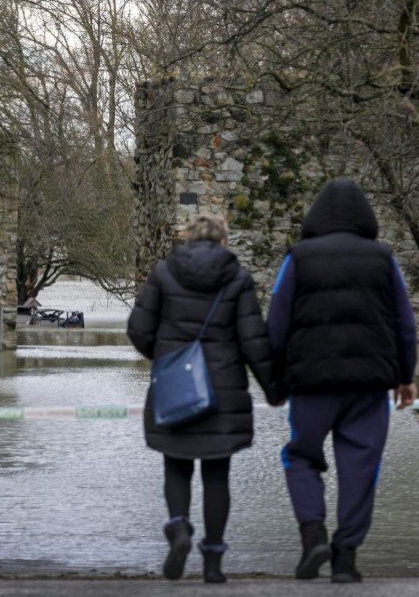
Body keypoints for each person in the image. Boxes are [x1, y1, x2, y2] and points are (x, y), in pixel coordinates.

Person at [266, 179, 418, 583]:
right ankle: (345, 558)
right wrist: (406, 378)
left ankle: (313, 534)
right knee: (360, 467)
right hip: (369, 386)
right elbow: (405, 323)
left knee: (300, 457)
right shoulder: (384, 259)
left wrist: (274, 384)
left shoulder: (297, 258)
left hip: (311, 384)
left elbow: (276, 323)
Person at [127, 214, 278, 583]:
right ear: (223, 242)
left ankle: (179, 528)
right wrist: (275, 389)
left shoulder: (164, 273)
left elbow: (138, 329)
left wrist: (164, 358)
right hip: (222, 391)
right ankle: (212, 564)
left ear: (189, 239)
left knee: (176, 465)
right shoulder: (238, 278)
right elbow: (253, 341)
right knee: (216, 474)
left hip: (176, 388)